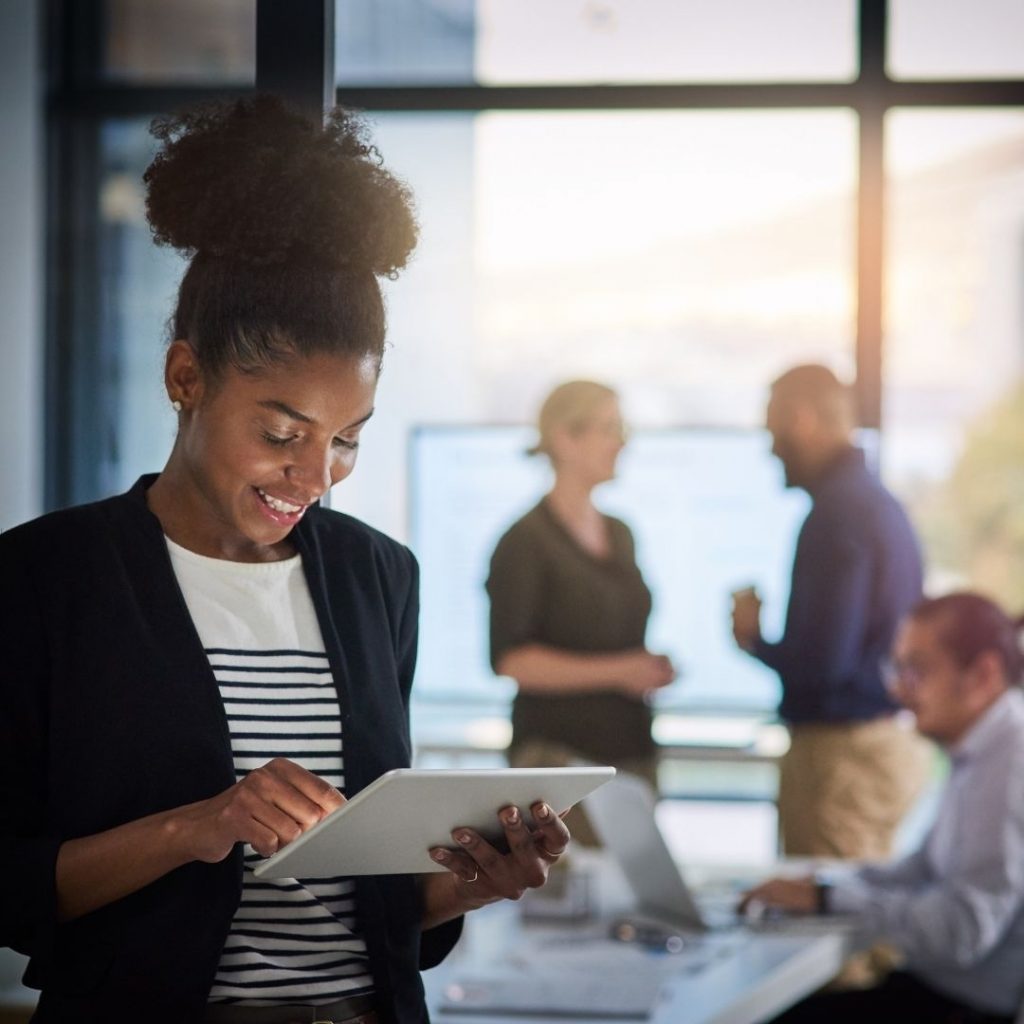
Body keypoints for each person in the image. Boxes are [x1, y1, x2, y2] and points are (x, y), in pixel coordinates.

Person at [0, 97, 569, 1024]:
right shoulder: (45, 579)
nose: (316, 475)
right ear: (186, 378)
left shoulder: (378, 577)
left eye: (348, 439)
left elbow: (379, 906)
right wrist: (199, 827)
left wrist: (471, 880)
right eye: (281, 433)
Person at [740, 592, 1024, 1024]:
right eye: (896, 667)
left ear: (983, 674)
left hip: (966, 1009)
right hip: (936, 991)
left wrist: (831, 898)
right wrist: (825, 886)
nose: (896, 688)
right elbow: (922, 869)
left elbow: (962, 930)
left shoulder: (1009, 764)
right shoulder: (980, 748)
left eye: (917, 670)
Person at [731, 364, 927, 859]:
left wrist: (754, 638)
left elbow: (824, 664)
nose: (770, 448)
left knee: (825, 920)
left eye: (774, 431)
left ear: (802, 420)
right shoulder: (880, 505)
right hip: (880, 746)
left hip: (839, 757)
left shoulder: (836, 515)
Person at [485, 381, 676, 808]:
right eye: (609, 428)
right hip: (557, 765)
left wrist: (644, 669)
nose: (620, 443)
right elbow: (512, 660)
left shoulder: (620, 533)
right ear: (564, 438)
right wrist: (621, 670)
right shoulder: (524, 542)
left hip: (631, 756)